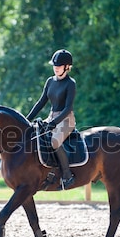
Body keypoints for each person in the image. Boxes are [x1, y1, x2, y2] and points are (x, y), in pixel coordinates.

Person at [26, 49, 77, 190]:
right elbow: (40, 102)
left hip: (66, 120)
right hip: (51, 117)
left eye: (59, 66)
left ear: (67, 67)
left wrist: (54, 123)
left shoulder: (70, 83)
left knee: (54, 142)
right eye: (54, 65)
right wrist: (26, 120)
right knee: (36, 138)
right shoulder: (50, 81)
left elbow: (67, 108)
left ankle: (67, 175)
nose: (55, 68)